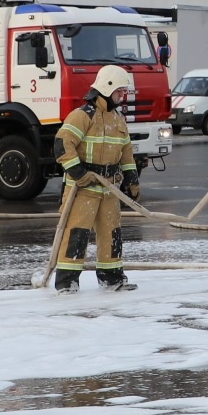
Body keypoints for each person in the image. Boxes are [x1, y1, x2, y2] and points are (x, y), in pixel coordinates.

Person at [51, 65, 140, 294]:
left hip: (109, 189)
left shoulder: (118, 120)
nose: (122, 96)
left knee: (112, 234)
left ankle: (112, 279)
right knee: (76, 234)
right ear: (106, 88)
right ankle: (67, 282)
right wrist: (78, 173)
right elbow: (62, 144)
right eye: (119, 91)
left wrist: (132, 178)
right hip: (82, 189)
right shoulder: (82, 116)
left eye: (123, 91)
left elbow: (126, 152)